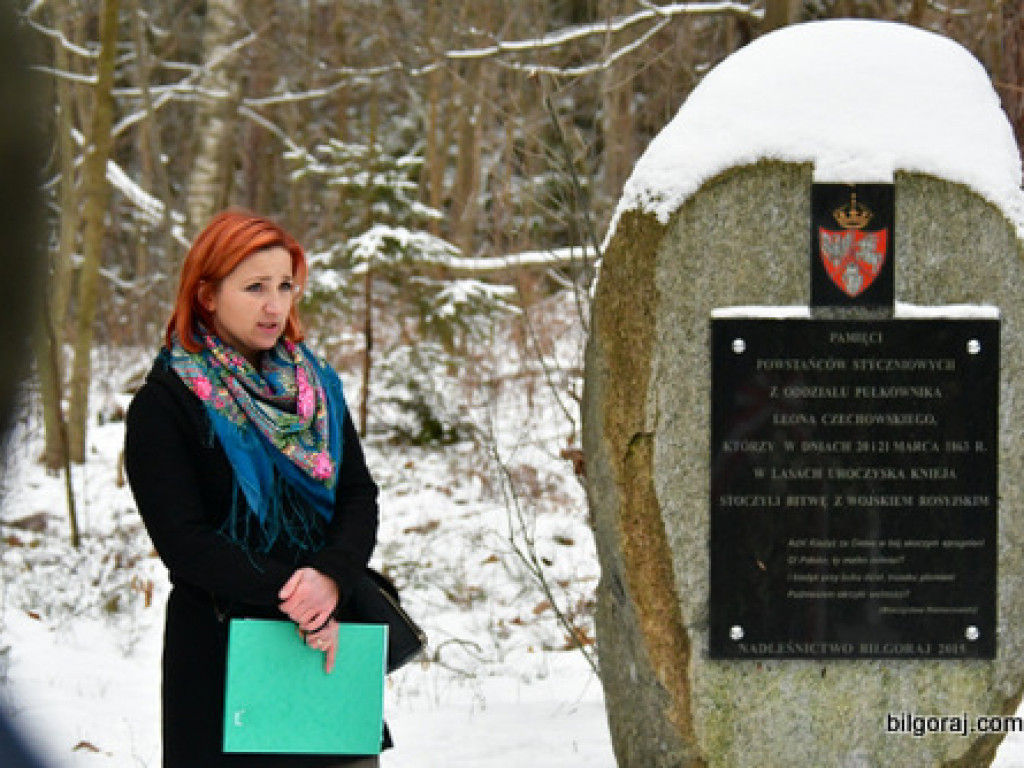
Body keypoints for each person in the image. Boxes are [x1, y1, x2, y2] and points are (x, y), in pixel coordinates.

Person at [125, 209, 384, 767]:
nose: (275, 305)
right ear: (207, 295)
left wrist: (332, 578)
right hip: (223, 657)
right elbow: (184, 541)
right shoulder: (166, 404)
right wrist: (298, 593)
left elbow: (359, 495)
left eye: (286, 286)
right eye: (255, 287)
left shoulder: (316, 390)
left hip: (328, 647)